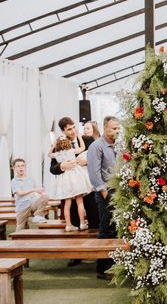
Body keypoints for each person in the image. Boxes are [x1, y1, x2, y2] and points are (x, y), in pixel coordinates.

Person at [49, 117, 99, 230]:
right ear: (63, 131)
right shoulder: (59, 144)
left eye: (74, 127)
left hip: (88, 187)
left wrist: (88, 162)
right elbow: (52, 169)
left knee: (95, 222)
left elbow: (99, 159)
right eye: (69, 129)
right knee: (75, 225)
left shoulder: (88, 140)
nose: (73, 131)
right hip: (70, 190)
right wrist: (61, 166)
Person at [87, 116, 120, 280]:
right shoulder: (96, 146)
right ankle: (102, 268)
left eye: (118, 128)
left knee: (115, 229)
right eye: (113, 128)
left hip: (118, 192)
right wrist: (105, 194)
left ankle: (114, 265)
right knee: (105, 229)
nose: (117, 131)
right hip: (105, 193)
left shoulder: (117, 146)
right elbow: (94, 173)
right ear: (105, 128)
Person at [52, 136, 92, 231]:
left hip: (65, 180)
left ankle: (68, 225)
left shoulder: (57, 154)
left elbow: (49, 154)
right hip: (75, 178)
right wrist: (78, 136)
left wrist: (53, 145)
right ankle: (82, 223)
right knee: (80, 202)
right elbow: (82, 148)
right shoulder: (71, 151)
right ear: (68, 143)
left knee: (67, 204)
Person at [10, 158, 50, 232]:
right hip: (22, 206)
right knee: (20, 227)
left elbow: (38, 189)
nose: (21, 168)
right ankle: (17, 241)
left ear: (25, 167)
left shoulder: (31, 179)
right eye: (18, 166)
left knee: (45, 197)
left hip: (32, 203)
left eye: (22, 165)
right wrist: (34, 190)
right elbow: (20, 193)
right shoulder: (14, 181)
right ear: (14, 168)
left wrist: (42, 193)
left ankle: (38, 215)